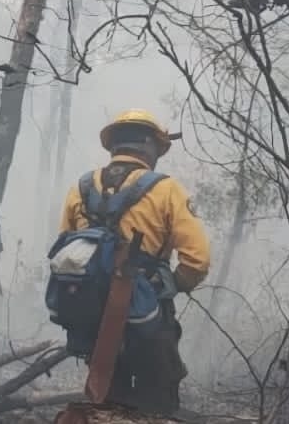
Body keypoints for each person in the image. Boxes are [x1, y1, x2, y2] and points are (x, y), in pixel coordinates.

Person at [55, 109, 210, 415]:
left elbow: (65, 247)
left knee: (109, 399)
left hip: (92, 317)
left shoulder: (82, 188)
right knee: (159, 399)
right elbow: (198, 260)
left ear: (114, 146)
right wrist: (170, 286)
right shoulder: (166, 189)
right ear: (151, 147)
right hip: (147, 313)